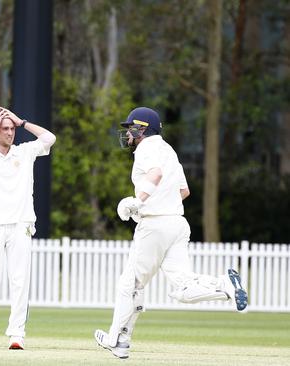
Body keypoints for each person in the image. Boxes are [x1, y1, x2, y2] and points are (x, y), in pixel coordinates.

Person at [94, 107, 248, 359]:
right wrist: (155, 203)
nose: (128, 134)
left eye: (130, 128)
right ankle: (225, 285)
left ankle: (117, 338)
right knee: (183, 288)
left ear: (142, 129)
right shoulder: (169, 150)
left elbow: (155, 174)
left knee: (129, 284)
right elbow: (184, 191)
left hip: (154, 226)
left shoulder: (146, 149)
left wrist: (137, 201)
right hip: (177, 223)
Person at [0, 107, 56, 350]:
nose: (9, 132)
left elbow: (49, 139)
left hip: (20, 225)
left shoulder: (24, 152)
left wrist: (22, 122)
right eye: (4, 129)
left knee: (19, 281)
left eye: (11, 129)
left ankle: (17, 334)